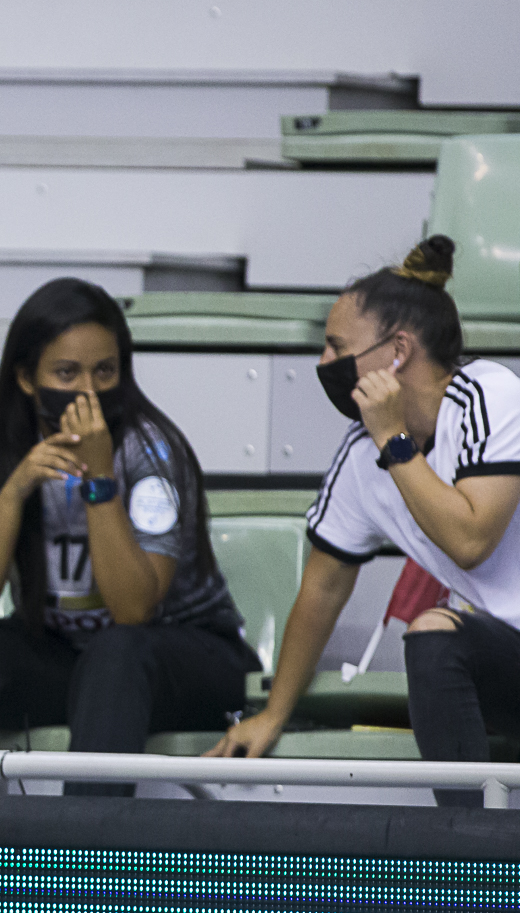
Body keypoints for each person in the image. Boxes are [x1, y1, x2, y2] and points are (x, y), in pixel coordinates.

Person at [0, 277, 260, 790]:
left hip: (184, 656)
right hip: (68, 656)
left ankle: (82, 857)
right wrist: (17, 487)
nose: (87, 392)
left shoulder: (151, 450)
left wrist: (100, 481)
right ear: (27, 378)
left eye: (104, 372)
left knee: (117, 653)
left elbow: (133, 610)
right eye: (67, 373)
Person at [207, 237, 520, 805]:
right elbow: (323, 587)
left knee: (435, 626)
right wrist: (273, 714)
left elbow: (471, 539)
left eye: (335, 347)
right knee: (433, 635)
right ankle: (471, 854)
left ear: (397, 350)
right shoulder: (360, 455)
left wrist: (396, 443)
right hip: (508, 658)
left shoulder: (490, 396)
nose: (324, 365)